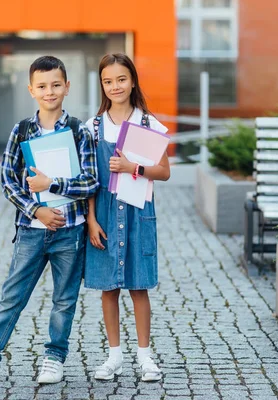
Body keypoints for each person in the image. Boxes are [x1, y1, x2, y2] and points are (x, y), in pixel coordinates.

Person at [0, 55, 98, 384]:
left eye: (56, 85)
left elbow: (90, 182)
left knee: (64, 299)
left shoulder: (78, 131)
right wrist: (36, 209)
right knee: (12, 296)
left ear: (67, 87)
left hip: (70, 231)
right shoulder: (22, 130)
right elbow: (8, 181)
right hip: (30, 230)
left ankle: (54, 357)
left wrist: (53, 185)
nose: (50, 91)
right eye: (42, 86)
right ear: (31, 89)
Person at [84, 53, 170, 382]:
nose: (115, 86)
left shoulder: (148, 124)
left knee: (138, 285)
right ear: (102, 85)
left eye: (121, 79)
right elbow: (89, 179)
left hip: (137, 213)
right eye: (108, 81)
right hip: (104, 214)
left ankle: (145, 356)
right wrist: (91, 219)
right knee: (108, 288)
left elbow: (163, 172)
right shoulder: (93, 128)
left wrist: (133, 168)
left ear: (132, 81)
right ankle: (114, 356)